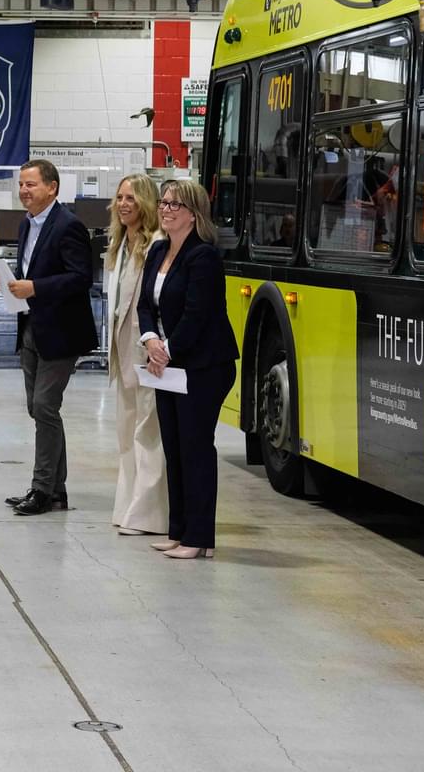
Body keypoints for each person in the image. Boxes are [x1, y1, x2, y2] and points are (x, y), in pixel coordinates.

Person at [0, 158, 98, 516]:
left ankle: (41, 488)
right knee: (38, 409)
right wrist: (7, 281)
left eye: (31, 184)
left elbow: (81, 277)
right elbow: (31, 269)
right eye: (21, 184)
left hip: (62, 331)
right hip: (31, 328)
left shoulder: (69, 226)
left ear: (52, 188)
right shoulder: (26, 224)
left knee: (45, 406)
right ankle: (55, 490)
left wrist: (35, 287)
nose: (23, 190)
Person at [139, 179, 240, 560]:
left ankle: (199, 538)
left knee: (195, 449)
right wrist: (151, 340)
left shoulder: (204, 257)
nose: (166, 210)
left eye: (174, 205)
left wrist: (166, 350)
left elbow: (197, 314)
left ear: (194, 214)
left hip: (204, 366)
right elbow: (145, 305)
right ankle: (179, 532)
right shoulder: (158, 250)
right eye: (163, 203)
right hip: (168, 364)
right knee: (174, 448)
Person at [105, 173, 167, 537]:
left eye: (131, 198)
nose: (124, 204)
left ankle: (149, 515)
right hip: (121, 349)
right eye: (120, 198)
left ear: (146, 202)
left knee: (148, 431)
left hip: (146, 350)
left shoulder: (157, 244)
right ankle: (128, 507)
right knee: (126, 431)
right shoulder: (120, 244)